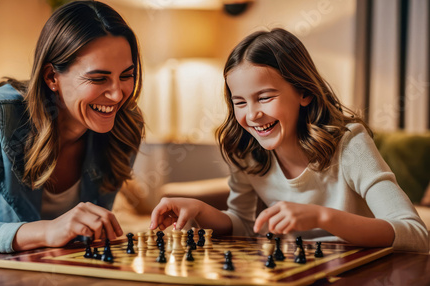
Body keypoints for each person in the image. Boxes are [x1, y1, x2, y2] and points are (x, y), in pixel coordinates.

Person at [150, 28, 429, 253]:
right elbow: (245, 226)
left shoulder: (350, 144)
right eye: (240, 102)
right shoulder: (246, 151)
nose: (253, 115)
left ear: (303, 93)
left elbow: (415, 234)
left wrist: (322, 217)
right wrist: (201, 209)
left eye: (265, 97)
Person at [0, 1, 144, 253]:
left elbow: (93, 232)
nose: (118, 95)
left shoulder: (126, 125)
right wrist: (48, 229)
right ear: (52, 77)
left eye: (126, 75)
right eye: (99, 78)